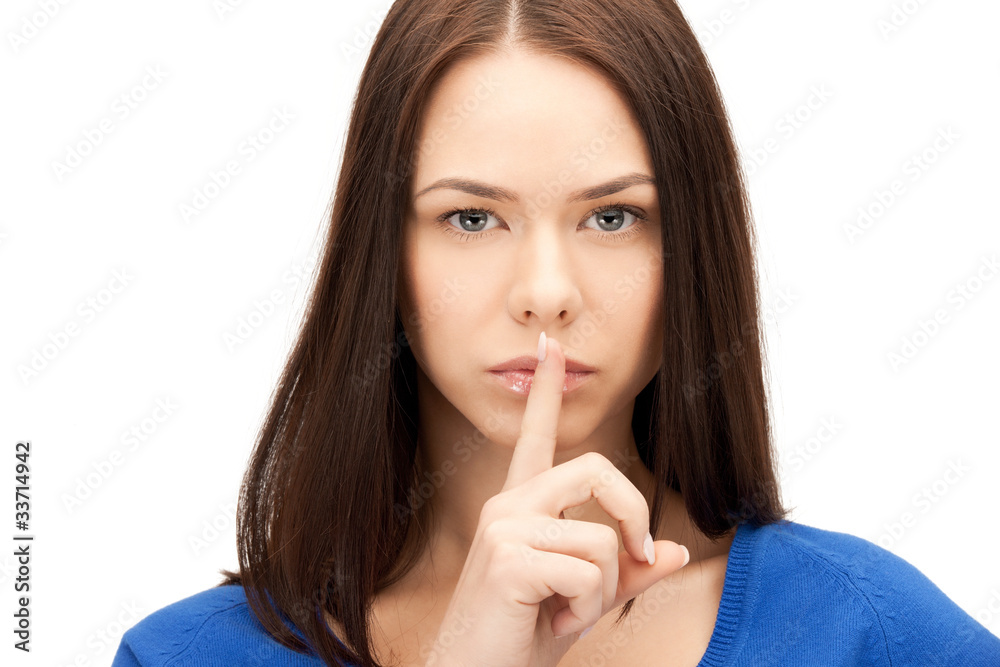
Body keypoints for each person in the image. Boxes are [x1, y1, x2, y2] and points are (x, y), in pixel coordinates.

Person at [112, 0, 1000, 665]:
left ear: (693, 250)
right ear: (382, 253)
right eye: (471, 218)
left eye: (613, 217)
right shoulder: (183, 657)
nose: (546, 293)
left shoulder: (871, 633)